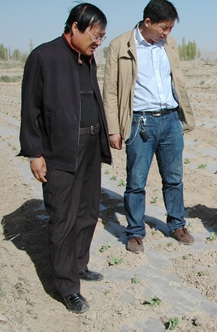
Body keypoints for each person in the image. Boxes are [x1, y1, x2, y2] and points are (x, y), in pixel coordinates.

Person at [18, 3, 111, 313]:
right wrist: (34, 152)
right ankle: (66, 285)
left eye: (102, 37)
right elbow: (29, 108)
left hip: (88, 147)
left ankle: (79, 264)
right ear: (74, 27)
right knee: (63, 219)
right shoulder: (44, 56)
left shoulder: (88, 59)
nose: (98, 42)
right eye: (94, 35)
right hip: (59, 152)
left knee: (87, 212)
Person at [103, 0, 196, 253]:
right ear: (147, 23)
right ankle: (134, 232)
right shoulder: (120, 45)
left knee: (174, 178)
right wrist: (113, 128)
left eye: (170, 28)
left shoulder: (170, 44)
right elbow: (110, 91)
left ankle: (177, 225)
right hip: (139, 122)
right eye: (164, 27)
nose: (167, 33)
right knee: (136, 181)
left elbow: (176, 80)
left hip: (170, 119)